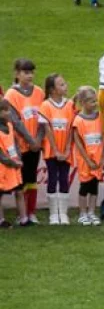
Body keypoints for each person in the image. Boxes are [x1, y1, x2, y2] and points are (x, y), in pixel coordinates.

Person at [5, 59, 44, 226]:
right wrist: (31, 140)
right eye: (26, 72)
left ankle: (31, 212)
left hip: (36, 144)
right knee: (21, 180)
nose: (30, 76)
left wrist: (39, 139)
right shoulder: (11, 95)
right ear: (17, 74)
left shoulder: (39, 92)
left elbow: (43, 118)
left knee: (32, 179)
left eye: (31, 72)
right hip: (20, 146)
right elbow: (15, 122)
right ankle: (22, 214)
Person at [39, 73, 75, 225]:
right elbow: (47, 130)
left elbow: (71, 128)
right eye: (61, 84)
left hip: (66, 150)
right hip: (51, 150)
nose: (65, 86)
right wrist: (55, 150)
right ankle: (53, 214)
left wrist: (66, 150)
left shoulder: (70, 105)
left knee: (64, 179)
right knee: (53, 178)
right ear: (52, 90)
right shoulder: (46, 105)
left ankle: (63, 213)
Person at [70, 86, 104, 226]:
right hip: (85, 160)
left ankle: (92, 212)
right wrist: (87, 160)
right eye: (91, 101)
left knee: (94, 186)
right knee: (84, 186)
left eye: (95, 101)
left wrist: (102, 157)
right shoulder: (78, 120)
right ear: (83, 103)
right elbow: (78, 142)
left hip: (98, 159)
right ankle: (82, 213)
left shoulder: (100, 117)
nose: (95, 104)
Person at [0, 99, 25, 227]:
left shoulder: (9, 125)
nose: (8, 113)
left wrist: (18, 158)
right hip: (3, 167)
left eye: (8, 110)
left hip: (14, 165)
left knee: (19, 191)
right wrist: (12, 162)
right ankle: (1, 220)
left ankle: (23, 219)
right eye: (5, 110)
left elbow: (15, 144)